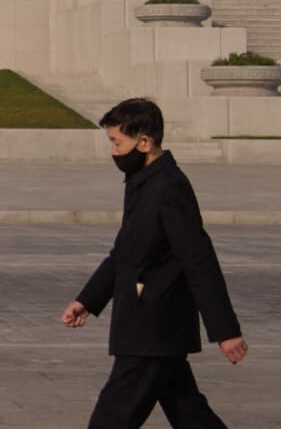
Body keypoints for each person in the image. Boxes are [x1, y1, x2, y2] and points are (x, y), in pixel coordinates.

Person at [61, 97, 246, 428]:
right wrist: (87, 300)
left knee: (111, 418)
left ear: (144, 142)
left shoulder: (169, 187)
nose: (114, 152)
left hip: (152, 326)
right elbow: (124, 253)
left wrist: (225, 331)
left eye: (118, 142)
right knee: (190, 414)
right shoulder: (142, 183)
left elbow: (199, 260)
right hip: (153, 329)